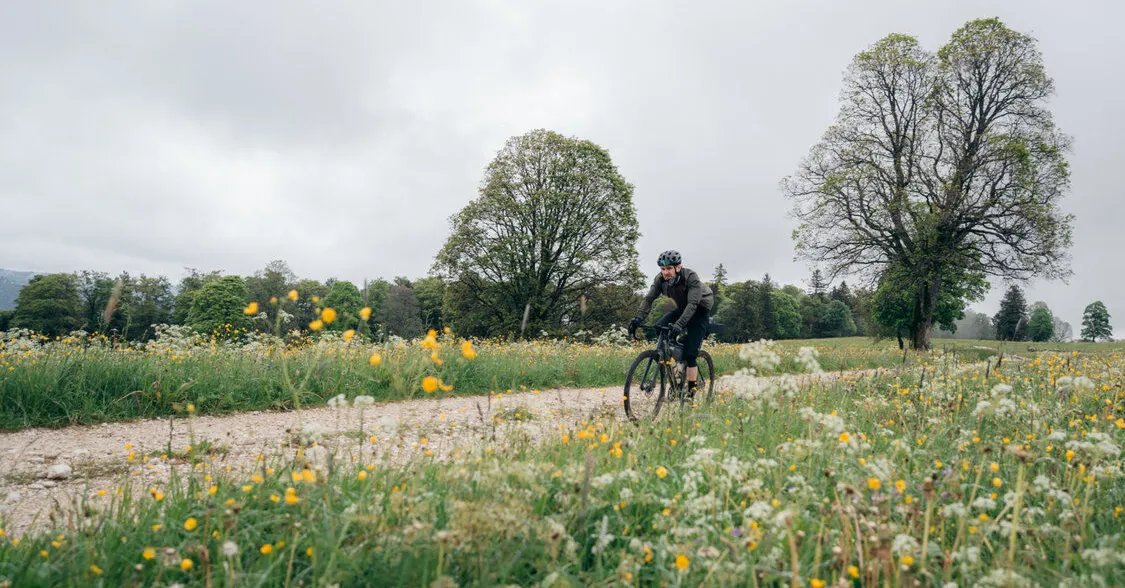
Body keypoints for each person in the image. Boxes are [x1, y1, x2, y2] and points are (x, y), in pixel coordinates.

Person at [628, 250, 714, 397]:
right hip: (682, 308)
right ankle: (678, 379)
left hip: (700, 309)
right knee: (659, 328)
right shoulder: (660, 279)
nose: (665, 272)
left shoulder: (690, 277)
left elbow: (693, 304)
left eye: (669, 268)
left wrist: (679, 325)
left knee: (690, 354)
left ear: (678, 267)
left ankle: (690, 394)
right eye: (663, 269)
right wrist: (638, 318)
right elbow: (648, 299)